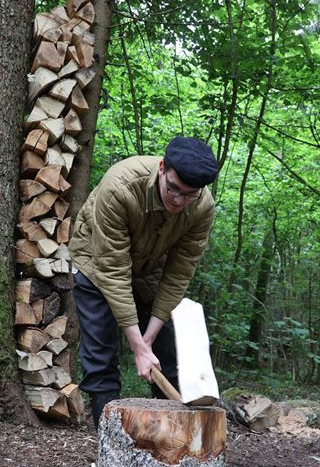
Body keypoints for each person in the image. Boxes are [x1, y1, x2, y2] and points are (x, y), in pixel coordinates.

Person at [68, 137, 218, 428]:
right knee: (101, 357)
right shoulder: (120, 186)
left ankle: (170, 441)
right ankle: (108, 442)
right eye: (173, 188)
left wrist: (148, 339)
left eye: (189, 195)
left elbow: (179, 272)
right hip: (96, 261)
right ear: (162, 168)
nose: (178, 200)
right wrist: (138, 346)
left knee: (169, 354)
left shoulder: (202, 207)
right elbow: (113, 269)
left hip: (150, 267)